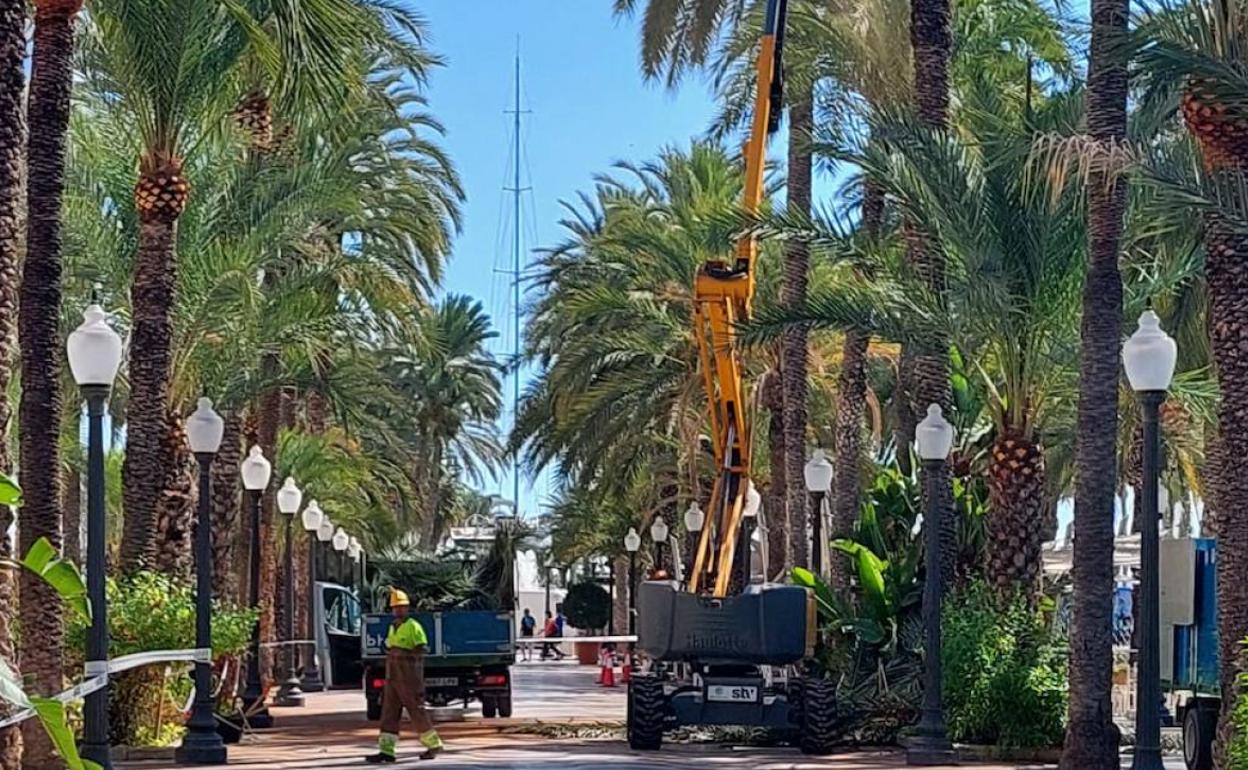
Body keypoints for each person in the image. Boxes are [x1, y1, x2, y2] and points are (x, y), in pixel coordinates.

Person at [367, 589, 444, 763]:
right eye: (395, 607)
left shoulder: (413, 626)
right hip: (393, 676)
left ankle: (433, 745)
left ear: (407, 608)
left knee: (416, 710)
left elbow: (421, 648)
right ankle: (387, 751)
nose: (398, 610)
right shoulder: (392, 627)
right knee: (389, 713)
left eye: (401, 607)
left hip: (409, 677)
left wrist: (404, 654)